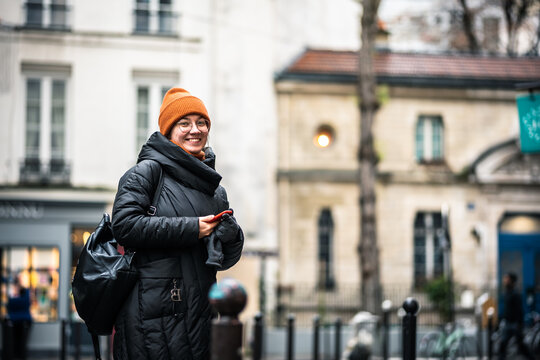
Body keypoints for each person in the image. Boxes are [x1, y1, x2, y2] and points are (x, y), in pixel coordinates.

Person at [111, 87, 244, 360]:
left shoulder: (214, 189)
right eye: (184, 123)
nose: (195, 130)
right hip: (152, 318)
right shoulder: (147, 171)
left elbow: (222, 259)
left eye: (202, 122)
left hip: (201, 313)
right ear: (169, 131)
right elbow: (124, 226)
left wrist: (231, 237)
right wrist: (192, 228)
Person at [498, 272, 534, 360]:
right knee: (503, 344)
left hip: (514, 324)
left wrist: (519, 324)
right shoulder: (506, 293)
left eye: (507, 279)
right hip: (508, 323)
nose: (505, 281)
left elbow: (519, 311)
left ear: (512, 281)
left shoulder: (515, 294)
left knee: (520, 345)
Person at [7, 279, 32, 360]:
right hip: (24, 322)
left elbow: (9, 305)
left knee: (17, 341)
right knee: (21, 341)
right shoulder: (24, 298)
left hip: (16, 321)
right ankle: (20, 356)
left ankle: (17, 355)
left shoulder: (14, 300)